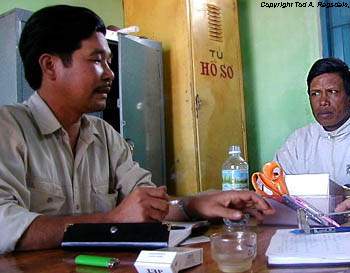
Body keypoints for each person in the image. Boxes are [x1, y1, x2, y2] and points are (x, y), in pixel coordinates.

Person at [0, 5, 274, 254]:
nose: (110, 73)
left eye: (108, 61)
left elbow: (148, 206)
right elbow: (4, 227)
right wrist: (112, 220)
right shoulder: (8, 129)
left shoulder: (104, 136)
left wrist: (196, 205)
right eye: (97, 60)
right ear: (50, 66)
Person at [275, 57, 350, 194]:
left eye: (332, 92)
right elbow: (273, 183)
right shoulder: (298, 141)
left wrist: (349, 191)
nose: (323, 101)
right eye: (315, 93)